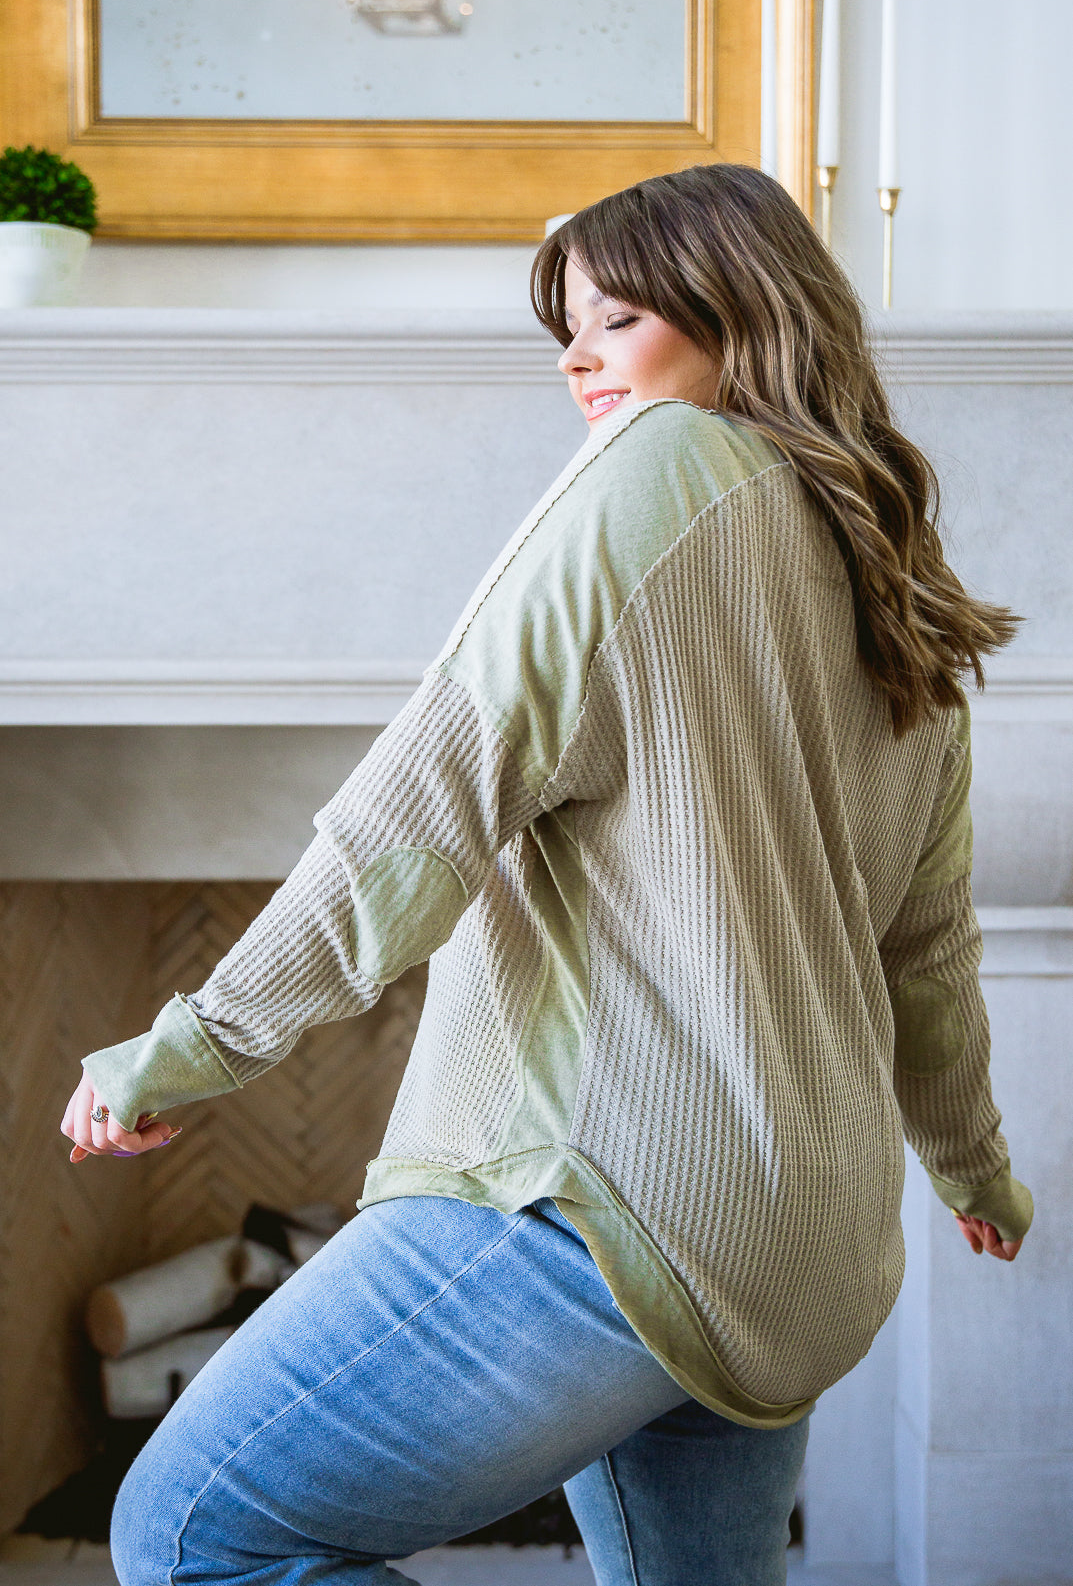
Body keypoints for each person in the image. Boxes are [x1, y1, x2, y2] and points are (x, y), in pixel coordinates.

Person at [61, 163, 1032, 1586]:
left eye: (617, 320)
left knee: (191, 1532)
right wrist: (972, 1164)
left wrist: (198, 1040)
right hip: (800, 1243)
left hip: (605, 1204)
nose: (578, 360)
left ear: (744, 314)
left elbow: (423, 804)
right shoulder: (897, 586)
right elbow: (927, 951)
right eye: (566, 331)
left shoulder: (660, 467)